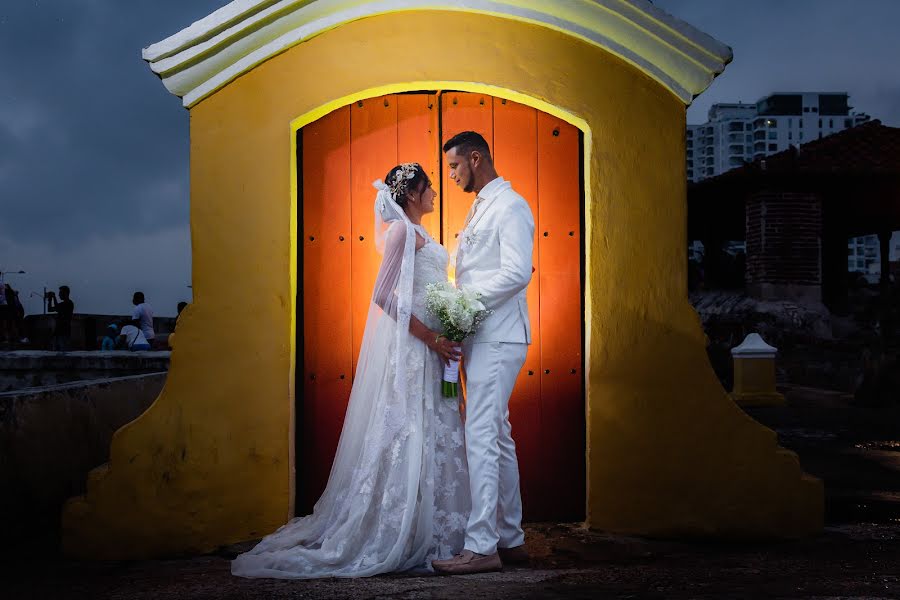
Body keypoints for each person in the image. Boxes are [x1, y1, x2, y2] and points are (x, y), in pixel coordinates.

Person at [232, 163, 469, 579]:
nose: (435, 192)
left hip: (434, 348)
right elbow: (382, 294)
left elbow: (429, 286)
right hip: (415, 349)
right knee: (410, 428)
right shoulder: (402, 233)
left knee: (435, 425)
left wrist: (452, 320)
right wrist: (429, 336)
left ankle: (438, 523)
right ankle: (398, 527)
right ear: (412, 193)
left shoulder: (422, 234)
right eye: (429, 186)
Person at [432, 131, 534, 575]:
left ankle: (481, 546)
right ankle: (511, 539)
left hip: (499, 335)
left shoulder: (511, 205)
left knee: (481, 434)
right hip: (484, 335)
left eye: (454, 166)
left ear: (476, 158)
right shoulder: (481, 204)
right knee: (497, 434)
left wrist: (462, 303)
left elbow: (516, 272)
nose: (451, 176)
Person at [47, 285, 75, 351]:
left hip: (64, 332)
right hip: (59, 332)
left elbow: (56, 307)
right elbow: (50, 309)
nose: (59, 295)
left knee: (63, 352)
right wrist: (51, 299)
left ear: (65, 293)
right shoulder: (66, 304)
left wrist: (53, 297)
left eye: (60, 293)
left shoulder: (69, 303)